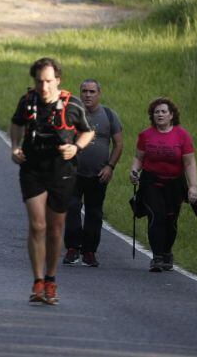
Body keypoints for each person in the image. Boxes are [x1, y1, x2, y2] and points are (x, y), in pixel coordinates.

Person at [9, 57, 94, 305]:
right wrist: (14, 147)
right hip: (33, 168)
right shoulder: (27, 102)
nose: (43, 87)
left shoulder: (72, 105)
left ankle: (51, 278)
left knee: (56, 228)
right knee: (37, 225)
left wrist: (76, 147)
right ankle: (37, 282)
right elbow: (16, 124)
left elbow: (88, 131)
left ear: (57, 80)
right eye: (39, 82)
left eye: (48, 81)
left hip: (62, 169)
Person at [129, 98, 197, 273]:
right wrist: (134, 171)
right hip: (151, 182)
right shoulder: (146, 135)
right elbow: (139, 157)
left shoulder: (182, 135)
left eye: (163, 112)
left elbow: (190, 163)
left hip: (174, 183)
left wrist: (193, 187)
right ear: (152, 116)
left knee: (171, 219)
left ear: (171, 115)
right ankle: (157, 257)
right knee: (156, 216)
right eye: (156, 112)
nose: (159, 115)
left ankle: (167, 252)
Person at [62, 79, 123, 267]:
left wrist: (110, 167)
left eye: (92, 91)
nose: (88, 95)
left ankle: (89, 251)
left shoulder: (109, 116)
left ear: (99, 93)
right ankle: (72, 248)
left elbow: (118, 144)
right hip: (74, 173)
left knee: (94, 213)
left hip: (98, 174)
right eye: (84, 91)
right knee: (72, 208)